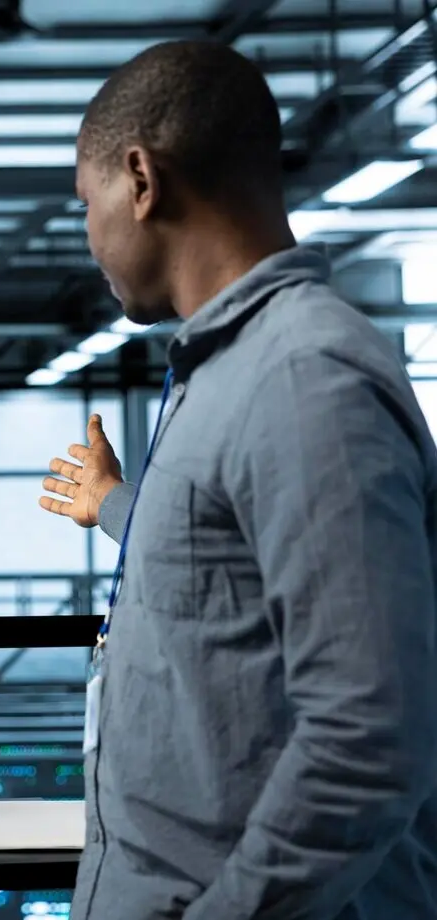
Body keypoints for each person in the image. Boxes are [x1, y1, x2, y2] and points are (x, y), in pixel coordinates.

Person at [39, 40, 437, 919]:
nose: (89, 235)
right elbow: (221, 559)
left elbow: (366, 743)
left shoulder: (304, 379)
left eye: (86, 204)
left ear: (141, 180)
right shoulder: (232, 372)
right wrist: (112, 503)